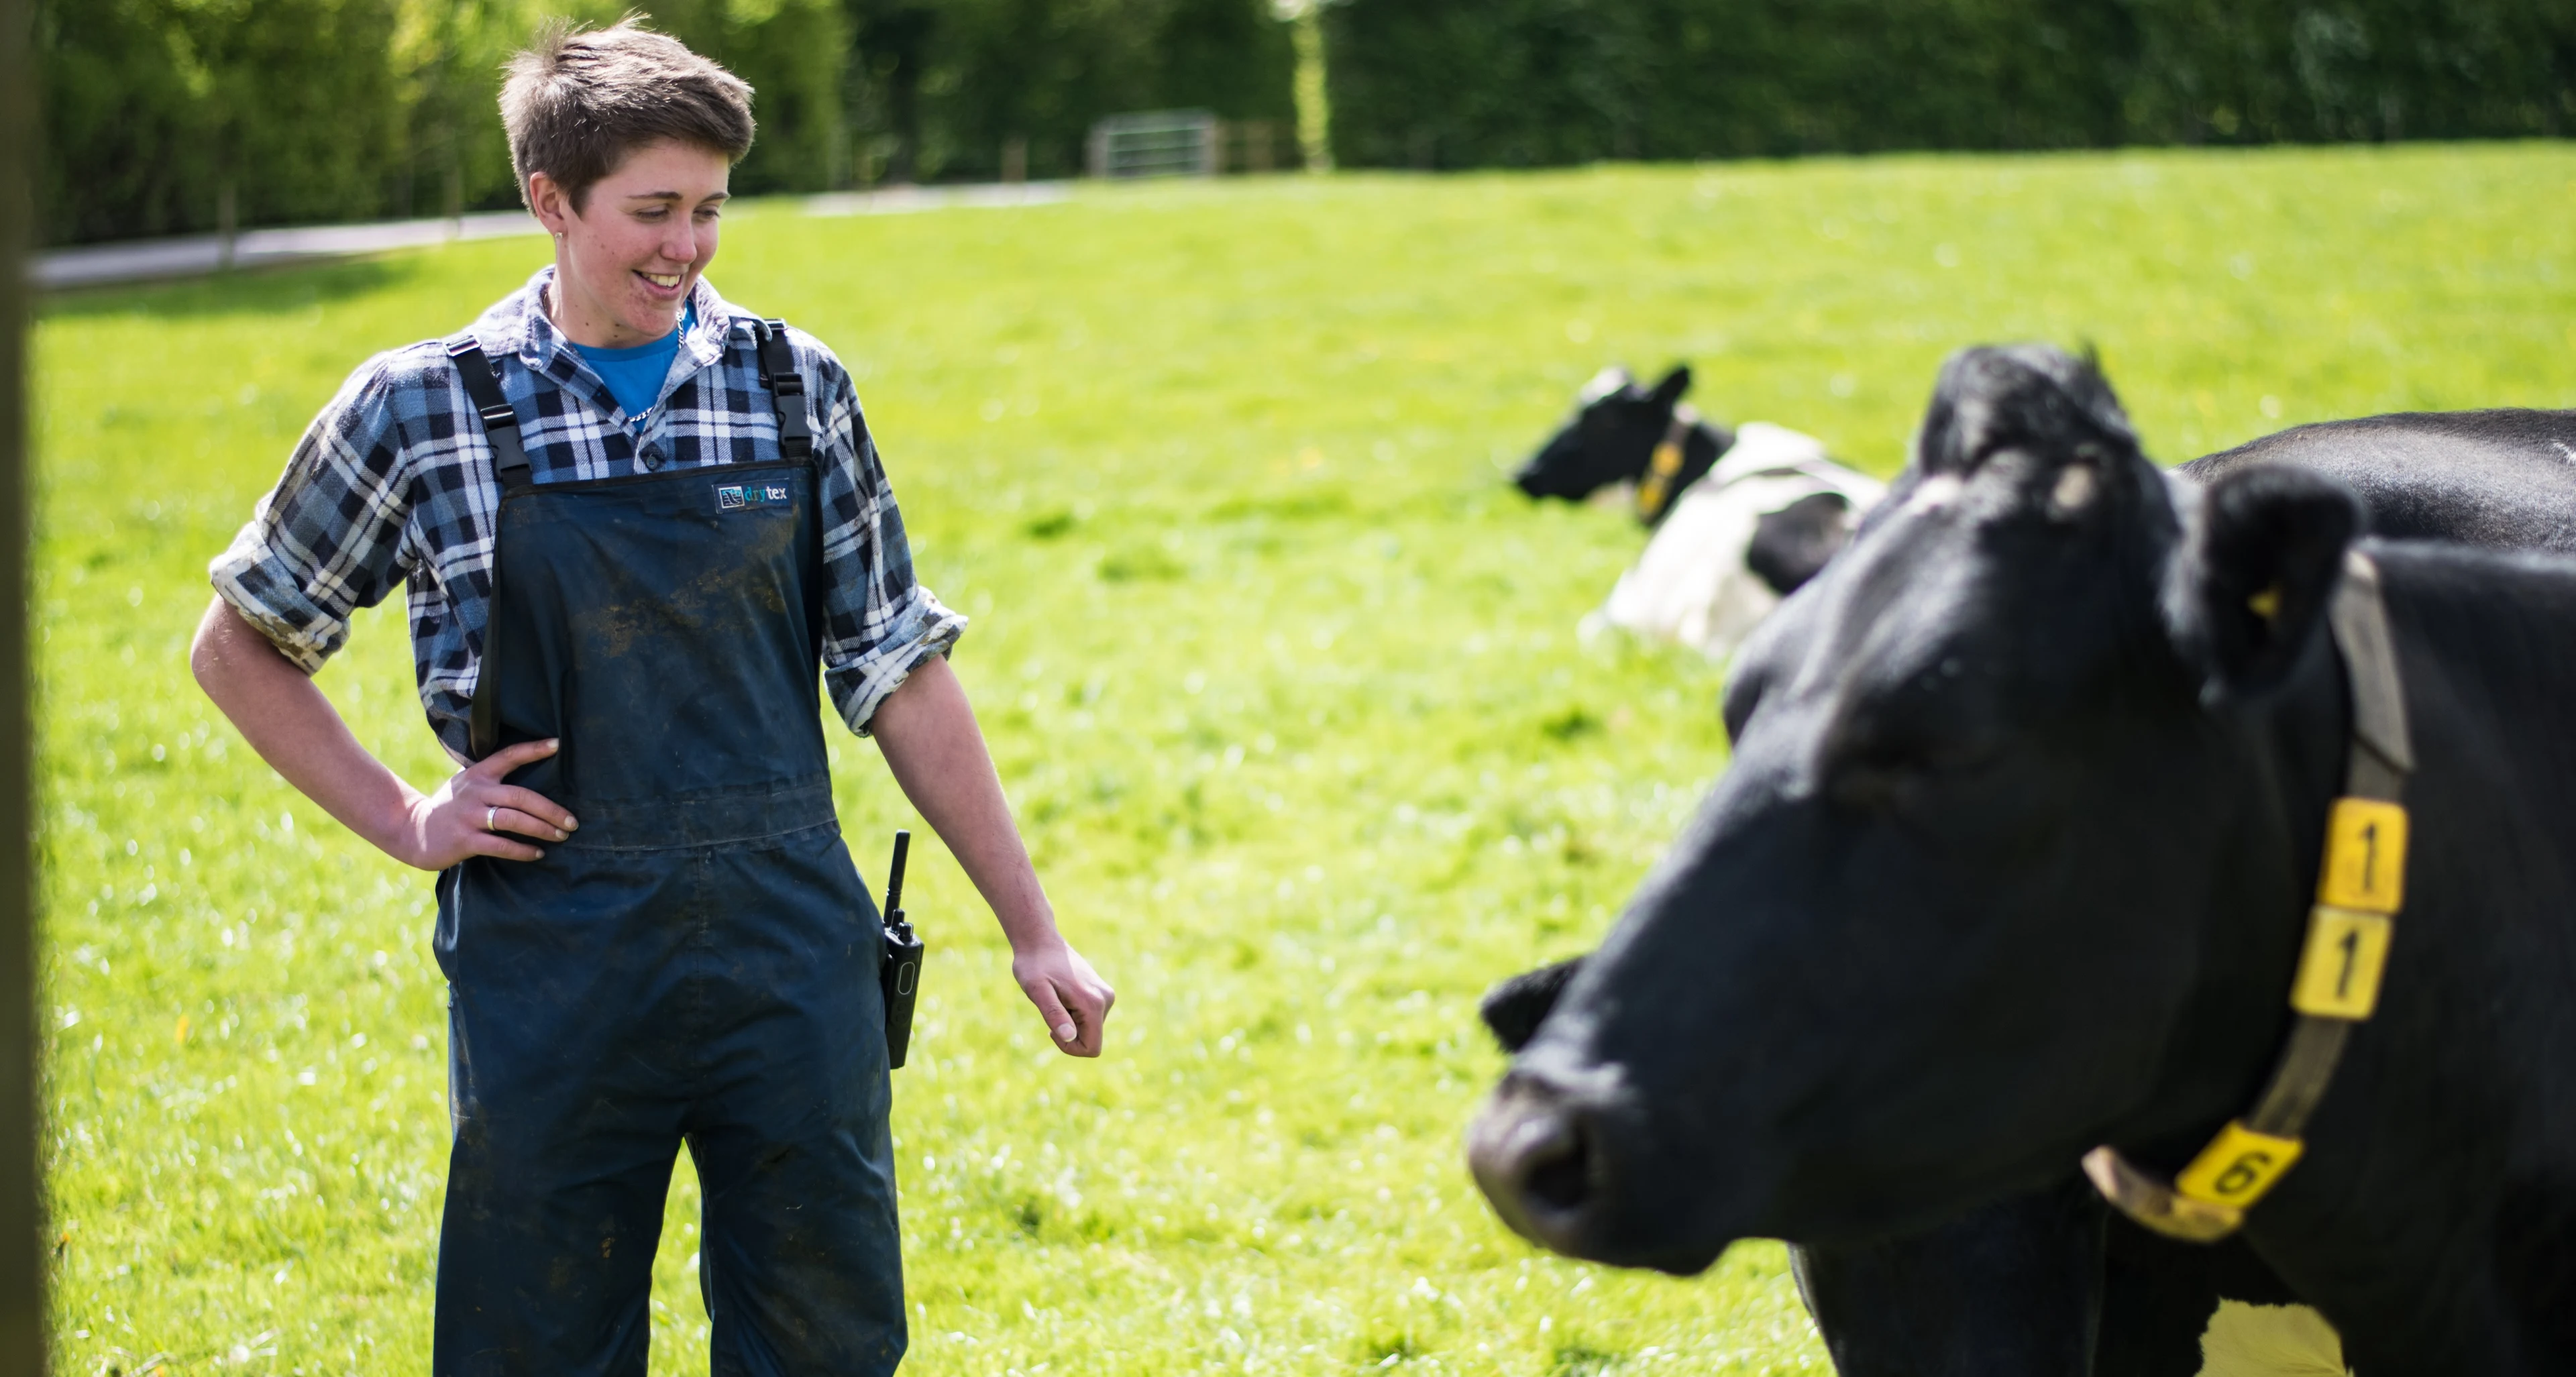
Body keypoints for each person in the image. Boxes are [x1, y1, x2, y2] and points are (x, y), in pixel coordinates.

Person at [186, 19, 1112, 1373]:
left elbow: (898, 670)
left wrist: (1033, 931)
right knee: (539, 1341)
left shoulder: (794, 390)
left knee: (826, 1339)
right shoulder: (423, 407)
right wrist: (404, 818)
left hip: (791, 948)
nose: (687, 248)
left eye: (712, 210)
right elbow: (241, 641)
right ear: (549, 200)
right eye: (654, 211)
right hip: (553, 957)